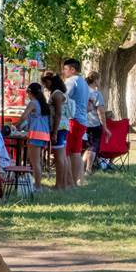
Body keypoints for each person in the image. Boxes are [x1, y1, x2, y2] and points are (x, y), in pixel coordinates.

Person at [16, 83, 50, 190]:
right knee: (37, 161)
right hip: (44, 135)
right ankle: (37, 184)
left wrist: (16, 125)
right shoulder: (43, 103)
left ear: (30, 93)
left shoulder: (33, 103)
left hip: (35, 135)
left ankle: (38, 186)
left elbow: (23, 116)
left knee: (35, 163)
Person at [62, 59, 89, 187]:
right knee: (76, 152)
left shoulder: (71, 81)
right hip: (82, 121)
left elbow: (62, 97)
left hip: (73, 120)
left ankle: (68, 181)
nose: (64, 72)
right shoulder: (83, 82)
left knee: (65, 152)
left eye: (65, 69)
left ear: (72, 69)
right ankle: (74, 181)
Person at [41, 72, 71, 190]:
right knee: (62, 157)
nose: (46, 86)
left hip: (59, 128)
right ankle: (63, 183)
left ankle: (59, 184)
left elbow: (58, 114)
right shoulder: (59, 93)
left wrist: (54, 132)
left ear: (50, 81)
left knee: (59, 158)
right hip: (63, 127)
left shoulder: (57, 94)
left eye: (46, 83)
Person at [83, 72, 111, 175]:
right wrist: (105, 127)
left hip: (81, 123)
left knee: (86, 147)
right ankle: (88, 169)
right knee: (92, 147)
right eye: (99, 80)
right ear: (95, 80)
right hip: (93, 124)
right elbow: (101, 112)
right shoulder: (96, 94)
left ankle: (80, 168)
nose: (100, 82)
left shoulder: (83, 92)